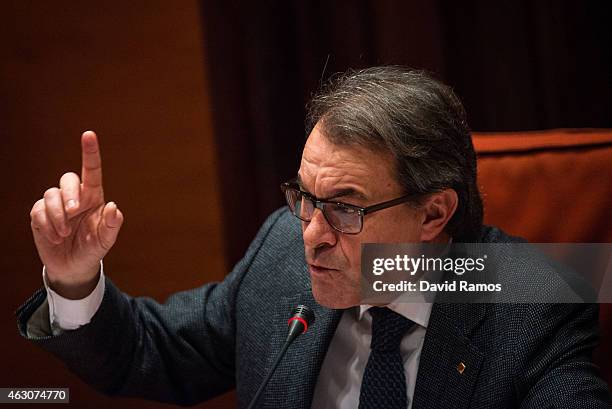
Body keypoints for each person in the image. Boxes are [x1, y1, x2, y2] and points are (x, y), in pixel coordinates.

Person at [18, 66, 610, 408]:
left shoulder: (529, 298)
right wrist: (75, 278)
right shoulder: (283, 246)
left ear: (434, 215)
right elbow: (155, 353)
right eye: (305, 197)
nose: (313, 235)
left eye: (346, 208)